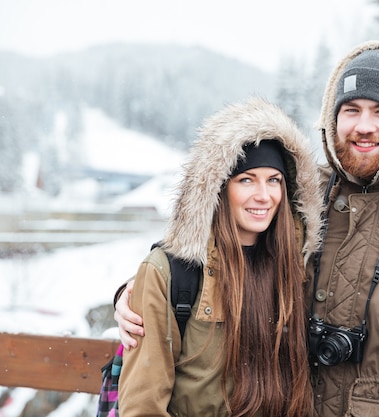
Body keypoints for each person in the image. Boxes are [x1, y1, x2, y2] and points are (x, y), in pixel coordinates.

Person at [115, 41, 379, 417]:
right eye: (351, 110)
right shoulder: (305, 194)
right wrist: (133, 294)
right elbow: (221, 246)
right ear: (331, 120)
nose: (364, 126)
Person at [117, 97, 323, 417]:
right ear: (218, 188)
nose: (263, 196)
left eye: (274, 180)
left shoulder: (296, 269)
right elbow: (142, 407)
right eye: (246, 180)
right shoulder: (171, 273)